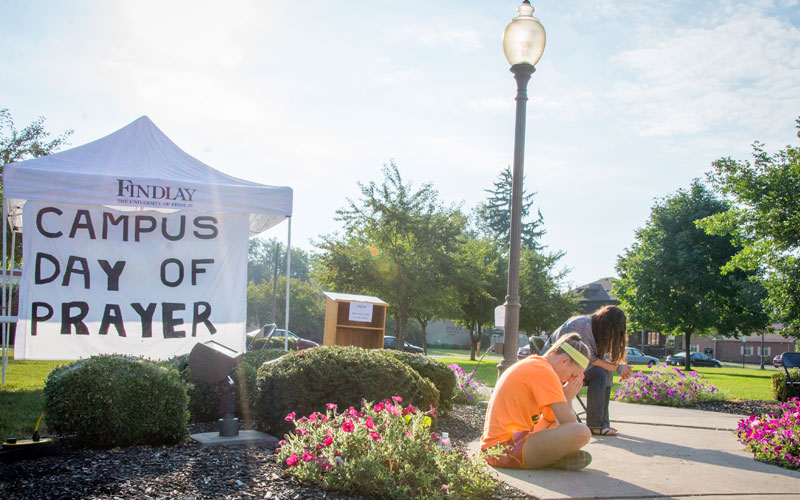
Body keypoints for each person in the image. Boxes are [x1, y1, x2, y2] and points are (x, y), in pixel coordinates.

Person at [481, 333, 593, 470]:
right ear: (564, 361)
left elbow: (550, 418)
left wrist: (563, 395)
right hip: (503, 450)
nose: (568, 380)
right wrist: (568, 397)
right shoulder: (544, 371)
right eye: (572, 375)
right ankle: (553, 459)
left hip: (501, 447)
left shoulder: (537, 365)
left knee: (556, 424)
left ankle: (552, 458)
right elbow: (568, 422)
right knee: (581, 432)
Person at [547, 305, 632, 436]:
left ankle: (602, 423)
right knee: (599, 374)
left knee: (605, 374)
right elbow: (588, 359)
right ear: (608, 324)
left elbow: (601, 359)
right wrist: (618, 368)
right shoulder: (582, 325)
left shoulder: (598, 331)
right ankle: (595, 426)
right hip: (560, 365)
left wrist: (620, 367)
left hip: (574, 365)